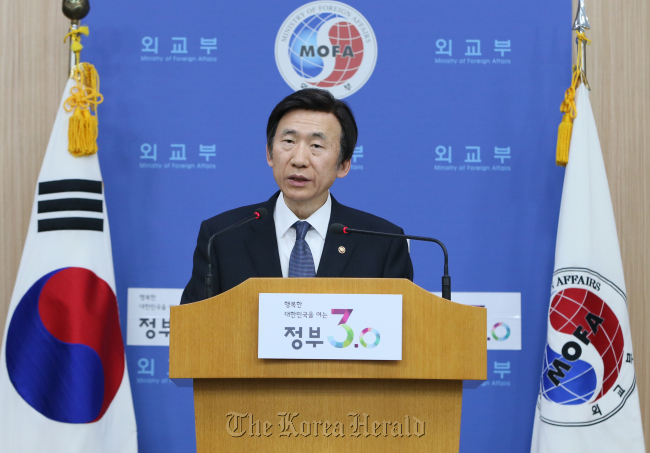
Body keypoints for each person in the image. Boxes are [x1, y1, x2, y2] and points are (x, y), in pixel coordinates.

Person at [180, 88, 413, 304]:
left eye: (316, 146)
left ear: (343, 164)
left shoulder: (383, 243)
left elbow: (402, 337)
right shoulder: (222, 237)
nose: (299, 159)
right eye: (289, 142)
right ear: (270, 153)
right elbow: (196, 334)